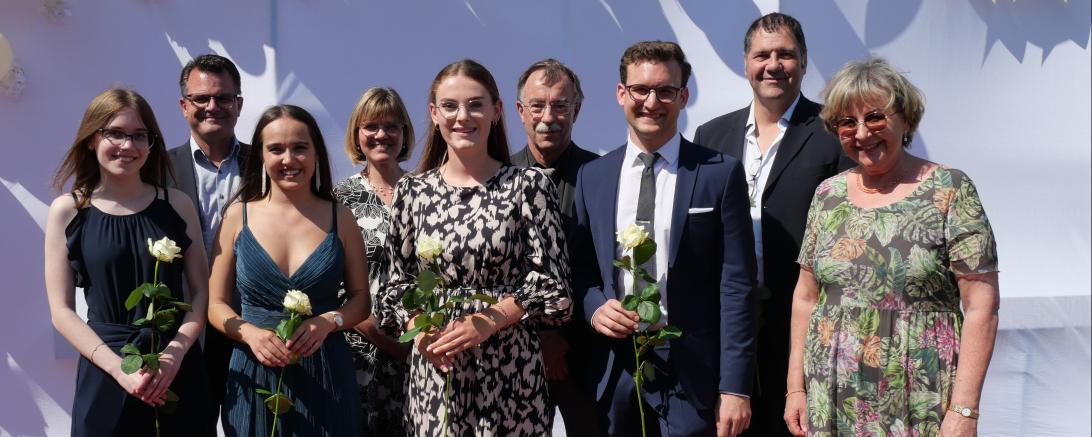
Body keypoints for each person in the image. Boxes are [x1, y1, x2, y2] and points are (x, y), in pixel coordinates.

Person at [783, 58, 999, 437]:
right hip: (831, 397)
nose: (862, 134)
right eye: (847, 123)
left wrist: (965, 410)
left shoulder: (950, 189)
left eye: (876, 118)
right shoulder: (828, 194)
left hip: (922, 398)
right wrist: (796, 388)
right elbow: (805, 297)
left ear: (906, 118)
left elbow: (982, 306)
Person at [570, 40, 757, 437]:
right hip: (615, 371)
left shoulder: (719, 174)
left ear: (683, 96)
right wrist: (595, 307)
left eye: (665, 90)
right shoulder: (594, 176)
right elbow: (581, 268)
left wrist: (735, 387)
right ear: (622, 93)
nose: (652, 101)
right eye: (640, 89)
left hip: (693, 376)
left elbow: (737, 286)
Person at [378, 59, 572, 436]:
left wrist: (487, 321)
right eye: (449, 106)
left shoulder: (528, 186)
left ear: (497, 111)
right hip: (437, 371)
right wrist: (422, 331)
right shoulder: (412, 192)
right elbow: (392, 290)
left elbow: (555, 287)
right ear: (434, 113)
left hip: (511, 372)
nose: (462, 116)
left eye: (475, 104)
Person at [691, 13, 854, 436]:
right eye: (762, 55)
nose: (773, 65)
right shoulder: (711, 136)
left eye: (785, 54)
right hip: (727, 328)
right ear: (746, 62)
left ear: (803, 61)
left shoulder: (832, 134)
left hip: (803, 325)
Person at [44, 88, 214, 436]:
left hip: (175, 371)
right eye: (115, 133)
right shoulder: (68, 211)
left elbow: (200, 294)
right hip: (105, 370)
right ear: (92, 139)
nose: (128, 145)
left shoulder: (177, 205)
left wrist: (175, 353)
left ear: (151, 144)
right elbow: (61, 311)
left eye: (139, 136)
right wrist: (118, 368)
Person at [208, 105, 370, 436]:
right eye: (276, 149)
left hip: (325, 373)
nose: (289, 159)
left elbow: (360, 300)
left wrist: (330, 321)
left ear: (316, 153)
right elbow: (214, 304)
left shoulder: (342, 217)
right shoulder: (238, 217)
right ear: (261, 156)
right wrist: (250, 333)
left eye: (299, 147)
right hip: (255, 370)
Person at [510, 58, 602, 436]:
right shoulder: (496, 177)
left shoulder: (603, 177)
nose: (548, 116)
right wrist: (537, 340)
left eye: (560, 105)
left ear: (576, 110)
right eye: (537, 105)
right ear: (520, 111)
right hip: (512, 356)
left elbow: (607, 269)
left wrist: (561, 339)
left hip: (586, 357)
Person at [167, 54, 249, 425]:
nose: (212, 107)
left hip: (248, 328)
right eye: (201, 98)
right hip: (180, 330)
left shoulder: (267, 165)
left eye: (223, 98)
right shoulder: (156, 169)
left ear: (239, 104)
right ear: (184, 105)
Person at [332, 86, 415, 435]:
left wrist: (413, 342)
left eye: (392, 126)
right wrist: (383, 337)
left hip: (418, 353)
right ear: (357, 134)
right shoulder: (340, 197)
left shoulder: (428, 191)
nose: (382, 135)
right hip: (357, 355)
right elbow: (332, 282)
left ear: (404, 134)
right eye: (371, 126)